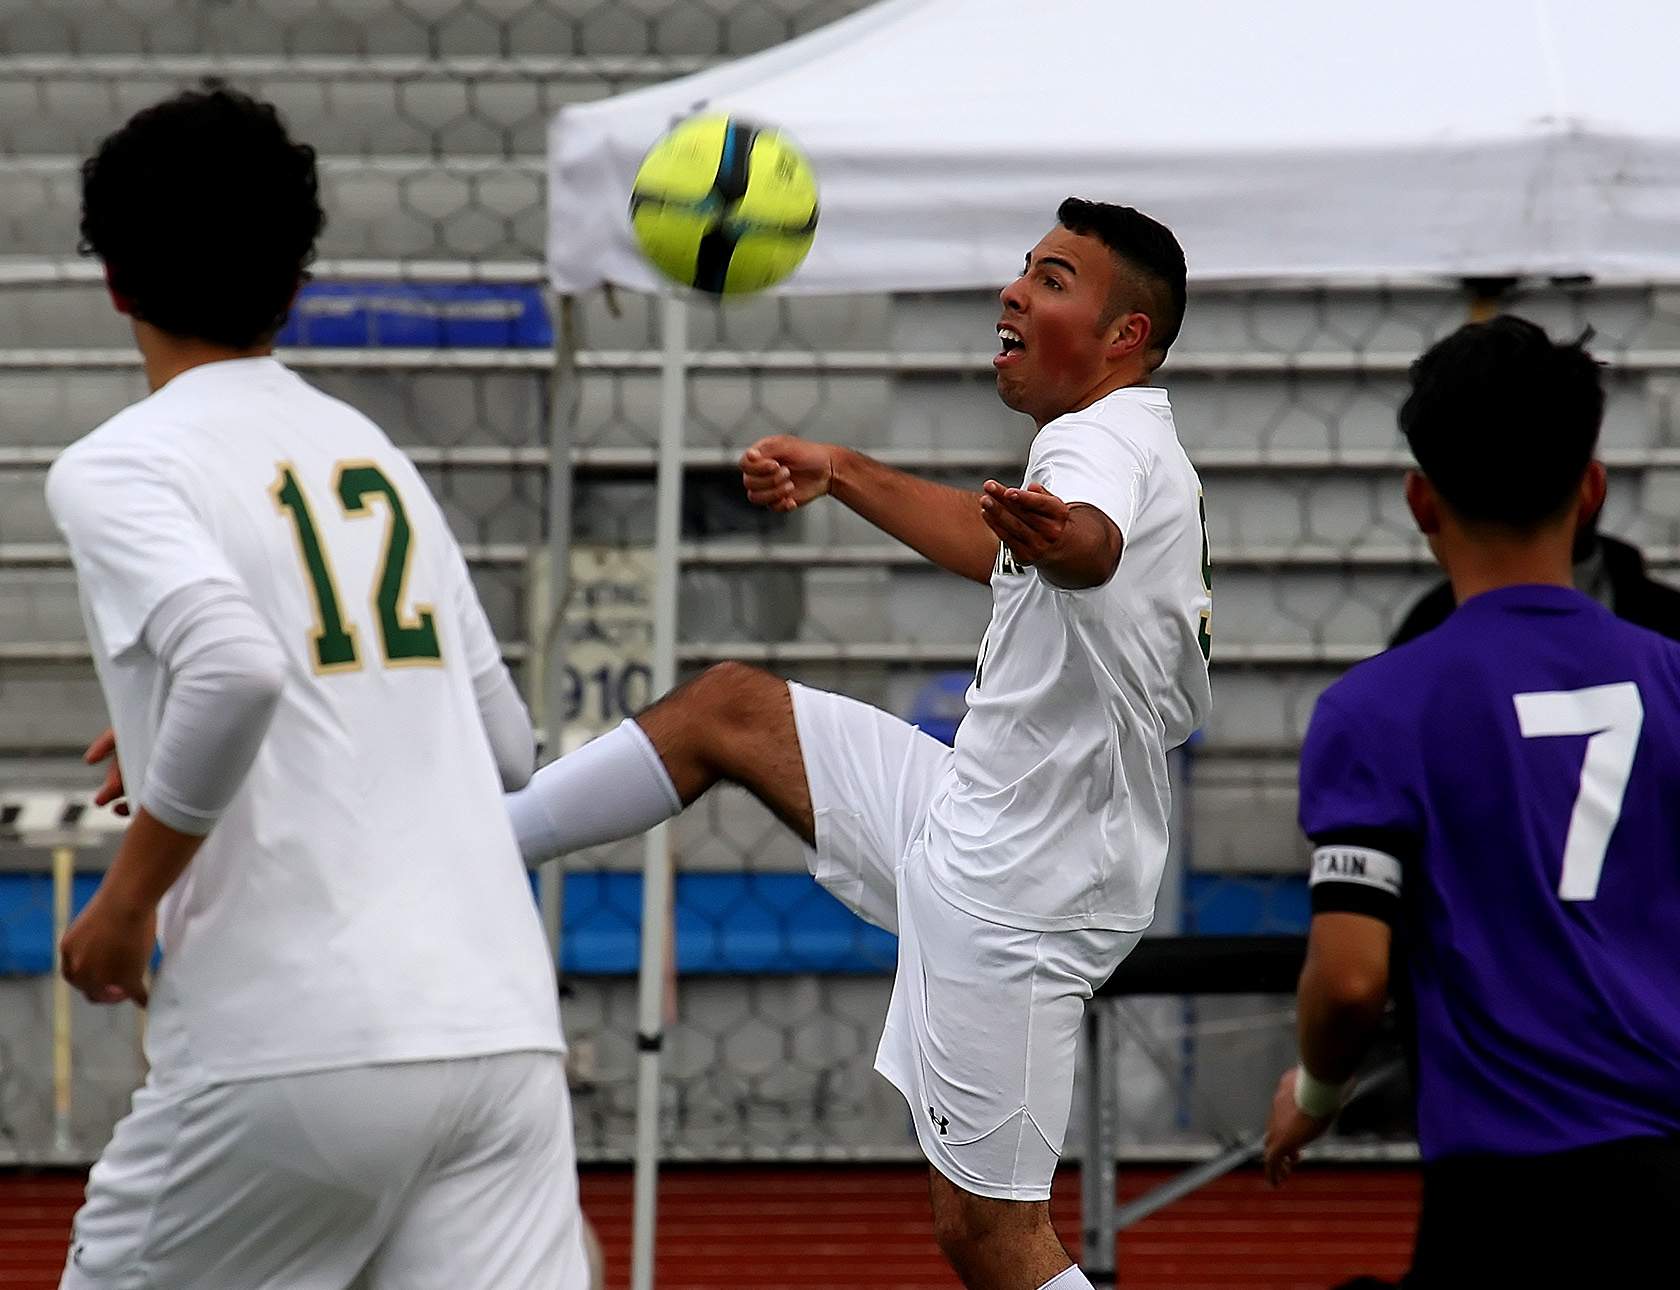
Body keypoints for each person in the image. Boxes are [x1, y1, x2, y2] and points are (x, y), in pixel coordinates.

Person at [511, 198, 1212, 1290]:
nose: (1015, 291)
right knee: (727, 711)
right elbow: (1017, 549)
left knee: (992, 1240)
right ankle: (474, 847)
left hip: (1025, 884)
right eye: (1026, 267)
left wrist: (1067, 540)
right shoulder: (1110, 445)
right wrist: (841, 469)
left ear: (1126, 335)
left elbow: (1090, 542)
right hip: (972, 811)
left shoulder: (1100, 441)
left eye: (1056, 280)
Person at [51, 88, 588, 1290]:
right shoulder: (370, 456)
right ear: (296, 281)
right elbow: (502, 744)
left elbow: (235, 669)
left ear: (115, 281)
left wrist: (126, 903)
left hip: (290, 1042)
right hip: (498, 1034)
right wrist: (196, 732)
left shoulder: (120, 465)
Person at [1263, 317, 1680, 1285]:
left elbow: (1353, 977)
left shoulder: (1376, 709)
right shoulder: (1670, 678)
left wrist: (1319, 1090)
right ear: (1591, 491)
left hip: (1507, 1191)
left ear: (1420, 499)